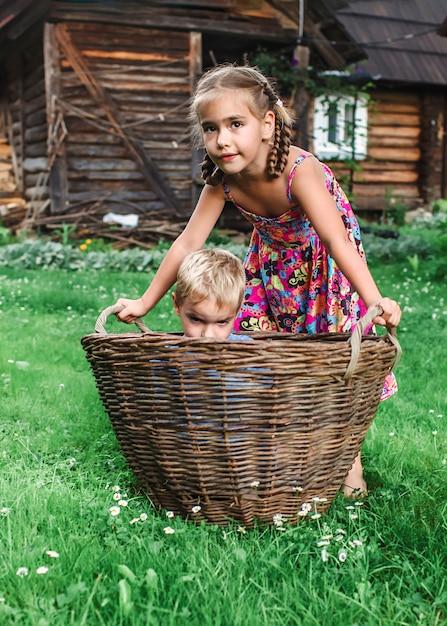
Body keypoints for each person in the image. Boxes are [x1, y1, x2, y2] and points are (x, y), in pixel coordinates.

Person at [116, 63, 402, 497]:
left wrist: (374, 301)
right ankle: (268, 445)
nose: (222, 139)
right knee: (256, 349)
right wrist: (145, 302)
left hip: (325, 266)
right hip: (271, 266)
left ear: (267, 124)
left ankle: (347, 459)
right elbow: (186, 243)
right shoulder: (222, 182)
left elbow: (337, 240)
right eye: (210, 128)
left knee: (332, 363)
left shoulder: (297, 171)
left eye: (235, 124)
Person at [172, 247, 250, 340]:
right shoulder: (168, 353)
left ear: (238, 310)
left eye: (222, 322)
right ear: (177, 304)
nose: (208, 335)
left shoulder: (248, 348)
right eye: (196, 319)